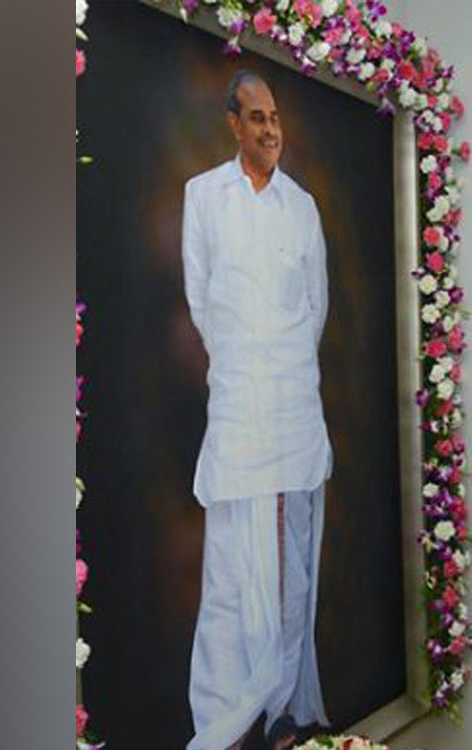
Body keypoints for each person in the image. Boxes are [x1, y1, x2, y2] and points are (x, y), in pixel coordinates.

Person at [181, 69, 331, 750]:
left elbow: (316, 309)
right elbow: (201, 298)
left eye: (276, 117)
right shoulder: (204, 197)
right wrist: (244, 370)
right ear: (233, 124)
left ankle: (283, 716)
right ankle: (226, 719)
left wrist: (283, 373)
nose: (271, 129)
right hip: (240, 411)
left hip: (295, 412)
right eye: (257, 117)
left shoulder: (302, 207)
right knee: (231, 573)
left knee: (292, 565)